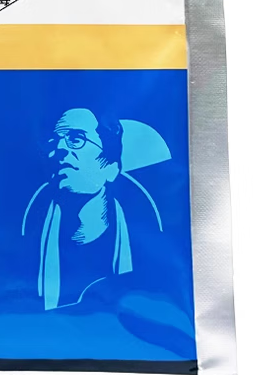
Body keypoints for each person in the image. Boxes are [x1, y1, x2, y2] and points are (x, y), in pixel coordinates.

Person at [22, 108, 165, 310]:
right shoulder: (21, 236)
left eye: (76, 139)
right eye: (54, 141)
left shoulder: (150, 244)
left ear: (111, 168)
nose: (59, 148)